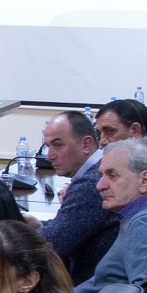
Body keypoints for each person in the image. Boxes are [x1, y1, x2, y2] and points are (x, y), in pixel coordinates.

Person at [74, 140, 147, 293]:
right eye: (101, 176)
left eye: (112, 175)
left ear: (144, 180)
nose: (100, 185)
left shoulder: (144, 225)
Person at [34, 110, 118, 283]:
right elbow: (66, 227)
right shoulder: (100, 169)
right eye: (48, 146)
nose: (49, 156)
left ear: (86, 144)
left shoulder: (91, 185)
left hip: (87, 285)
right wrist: (37, 225)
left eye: (58, 145)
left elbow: (50, 246)